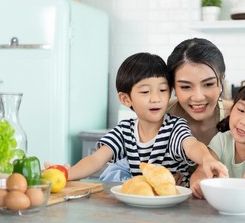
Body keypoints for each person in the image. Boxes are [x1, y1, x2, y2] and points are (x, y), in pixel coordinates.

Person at [101, 38, 245, 191]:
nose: (198, 97)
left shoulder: (239, 116)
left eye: (208, 84)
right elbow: (115, 171)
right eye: (186, 87)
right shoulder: (160, 117)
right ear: (172, 87)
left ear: (222, 81)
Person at [64, 52, 228, 181]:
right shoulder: (124, 130)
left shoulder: (175, 127)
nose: (156, 98)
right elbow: (95, 160)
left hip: (176, 206)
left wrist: (206, 159)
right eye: (145, 92)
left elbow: (192, 145)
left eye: (163, 90)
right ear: (126, 99)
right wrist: (64, 174)